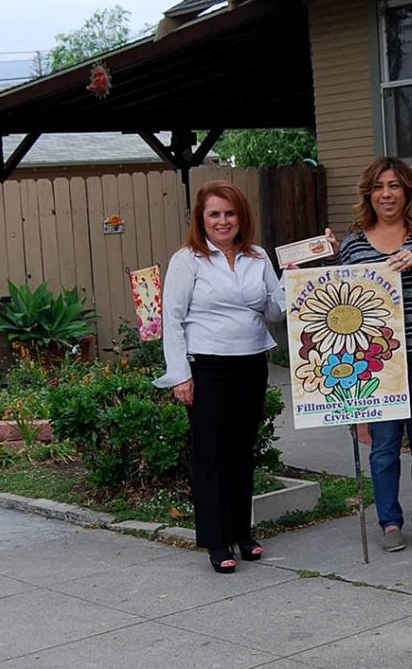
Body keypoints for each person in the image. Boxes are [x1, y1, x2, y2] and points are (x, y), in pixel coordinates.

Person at [324, 157, 412, 552]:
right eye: (379, 187)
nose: (386, 194)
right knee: (383, 445)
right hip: (375, 362)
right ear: (368, 193)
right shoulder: (353, 243)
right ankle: (389, 522)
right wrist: (327, 258)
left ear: (407, 191)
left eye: (395, 186)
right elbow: (340, 301)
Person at [155, 180, 285, 574]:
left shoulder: (258, 257)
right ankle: (216, 540)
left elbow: (276, 312)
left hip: (250, 364)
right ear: (202, 219)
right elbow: (172, 321)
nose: (222, 221)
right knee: (211, 455)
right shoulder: (188, 260)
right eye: (214, 214)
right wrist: (180, 375)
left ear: (240, 216)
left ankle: (242, 534)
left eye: (229, 213)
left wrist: (293, 276)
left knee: (242, 452)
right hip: (206, 366)